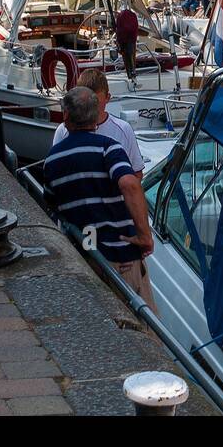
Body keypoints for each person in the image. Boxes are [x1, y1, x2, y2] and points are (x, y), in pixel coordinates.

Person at [43, 87, 154, 308]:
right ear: (95, 117)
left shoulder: (52, 161)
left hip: (87, 257)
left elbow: (52, 204)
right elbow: (130, 184)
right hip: (122, 258)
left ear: (65, 115)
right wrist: (145, 236)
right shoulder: (109, 148)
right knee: (144, 329)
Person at [51, 68, 144, 180]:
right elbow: (56, 170)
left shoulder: (124, 129)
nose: (91, 109)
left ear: (107, 98)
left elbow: (137, 173)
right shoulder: (63, 130)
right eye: (86, 104)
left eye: (95, 103)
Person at [114, 5, 140, 81]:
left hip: (125, 43)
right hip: (130, 42)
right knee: (130, 55)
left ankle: (130, 74)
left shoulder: (122, 17)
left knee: (128, 55)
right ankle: (132, 74)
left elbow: (121, 34)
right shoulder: (132, 16)